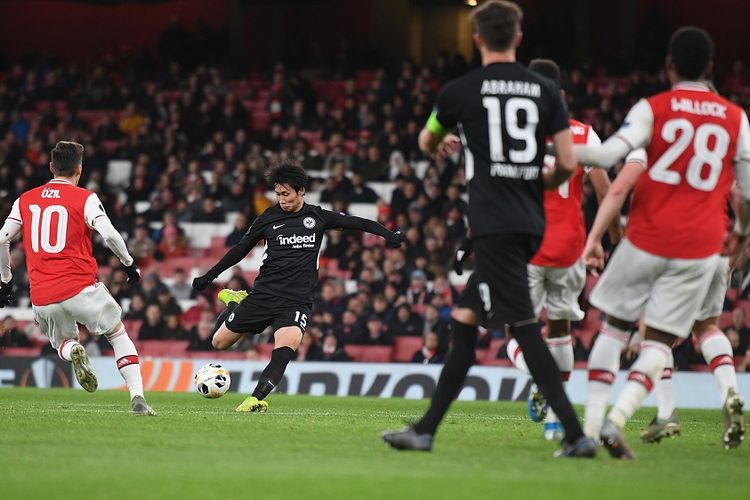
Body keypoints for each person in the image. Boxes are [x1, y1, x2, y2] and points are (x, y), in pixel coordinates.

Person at [381, 0, 596, 458]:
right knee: (464, 322)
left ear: (477, 38)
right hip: (528, 223)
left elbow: (426, 140)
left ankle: (576, 436)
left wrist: (445, 142)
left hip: (494, 226)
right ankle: (425, 430)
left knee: (522, 327)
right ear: (518, 38)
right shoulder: (545, 92)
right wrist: (537, 181)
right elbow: (569, 164)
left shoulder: (459, 91)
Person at [576, 27, 749, 458]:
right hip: (702, 247)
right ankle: (619, 420)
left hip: (646, 238)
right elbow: (746, 194)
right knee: (660, 341)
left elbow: (603, 158)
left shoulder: (653, 108)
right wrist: (741, 237)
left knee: (614, 330)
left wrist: (560, 152)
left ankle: (592, 429)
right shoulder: (735, 117)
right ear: (711, 68)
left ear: (669, 64)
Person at [192, 159, 404, 413]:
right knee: (219, 343)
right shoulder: (268, 218)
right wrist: (209, 276)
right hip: (263, 295)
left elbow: (359, 223)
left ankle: (255, 398)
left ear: (301, 191)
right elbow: (239, 250)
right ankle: (236, 301)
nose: (282, 199)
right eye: (278, 194)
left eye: (286, 194)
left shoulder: (316, 217)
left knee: (285, 347)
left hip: (296, 300)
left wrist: (388, 235)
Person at [502, 58, 621, 441]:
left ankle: (540, 378)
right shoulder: (584, 134)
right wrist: (602, 242)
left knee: (515, 331)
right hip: (570, 249)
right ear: (561, 95)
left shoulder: (513, 133)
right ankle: (555, 420)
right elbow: (606, 192)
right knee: (560, 332)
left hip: (527, 247)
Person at [0, 141, 155, 416]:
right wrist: (130, 265)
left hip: (43, 294)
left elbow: (2, 239)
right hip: (81, 288)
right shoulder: (85, 198)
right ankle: (138, 398)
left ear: (51, 167)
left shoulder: (25, 199)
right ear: (79, 169)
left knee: (61, 342)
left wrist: (5, 281)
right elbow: (108, 235)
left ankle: (73, 350)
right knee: (117, 334)